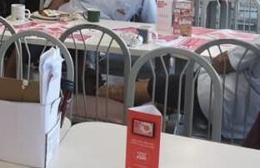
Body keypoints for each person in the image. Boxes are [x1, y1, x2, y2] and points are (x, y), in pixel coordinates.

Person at [102, 45, 259, 141]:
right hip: (246, 125)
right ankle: (159, 107)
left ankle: (98, 91)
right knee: (169, 93)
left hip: (214, 97)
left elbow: (221, 62)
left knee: (150, 86)